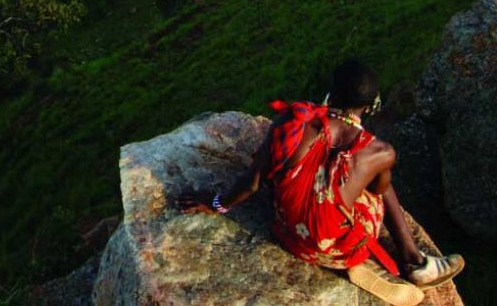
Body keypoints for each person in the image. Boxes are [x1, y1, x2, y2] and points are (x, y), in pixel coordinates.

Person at [176, 58, 464, 306]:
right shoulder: (379, 151)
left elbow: (252, 183)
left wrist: (214, 204)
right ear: (369, 105)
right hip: (341, 247)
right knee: (382, 181)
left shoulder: (295, 124)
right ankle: (413, 260)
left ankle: (362, 250)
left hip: (290, 235)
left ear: (332, 92)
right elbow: (376, 191)